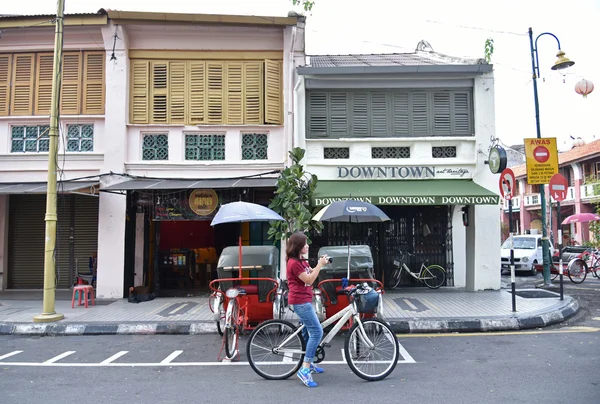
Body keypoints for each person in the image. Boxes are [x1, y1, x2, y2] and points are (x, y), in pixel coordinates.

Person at [286, 232, 330, 388]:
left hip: (305, 300)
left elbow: (310, 273)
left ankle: (309, 362)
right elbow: (310, 280)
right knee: (317, 332)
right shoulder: (294, 263)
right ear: (298, 246)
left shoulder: (301, 261)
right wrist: (320, 265)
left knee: (306, 332)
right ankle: (304, 370)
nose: (307, 246)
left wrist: (320, 263)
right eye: (305, 244)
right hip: (300, 302)